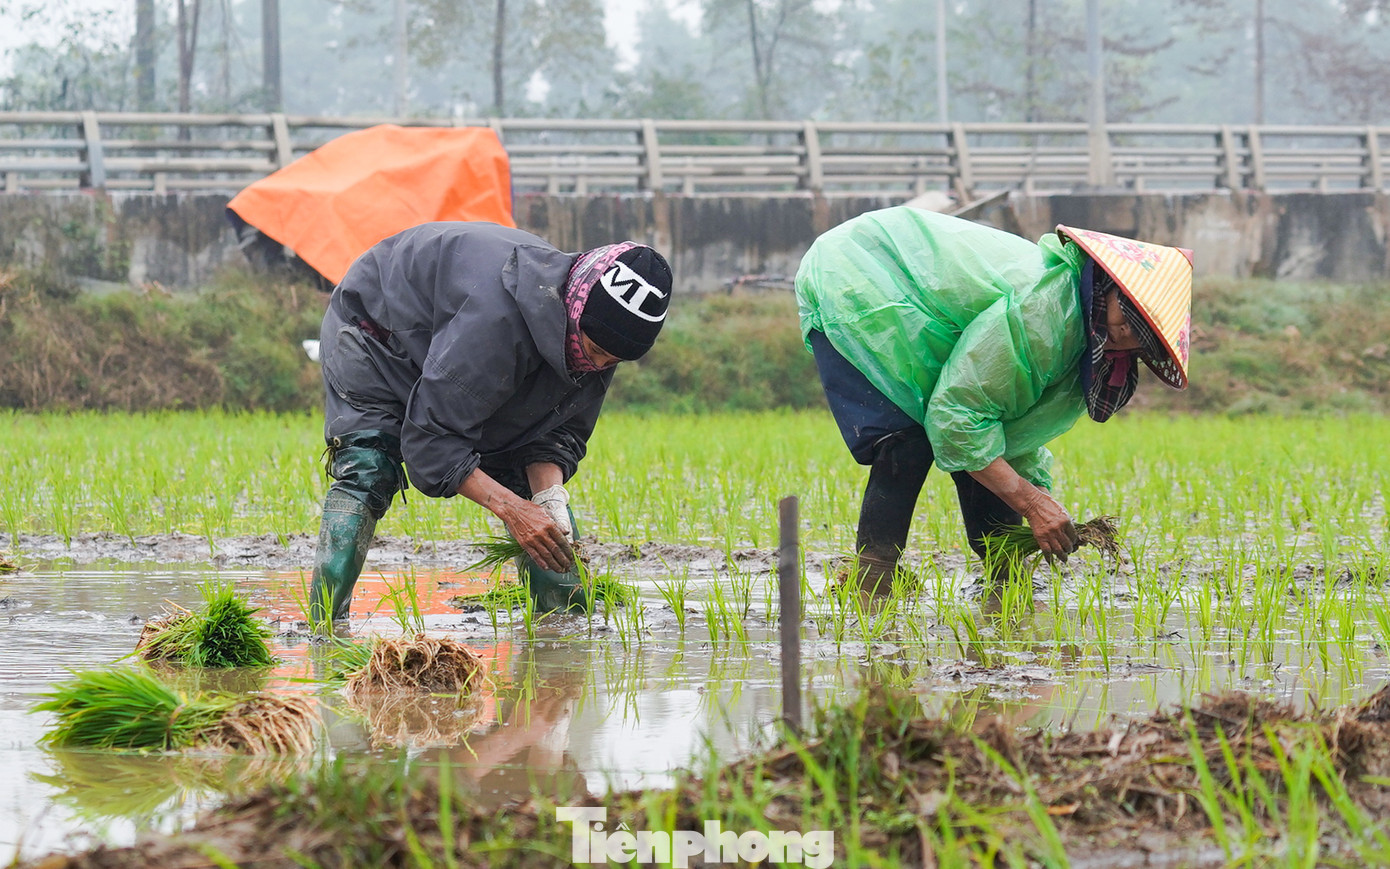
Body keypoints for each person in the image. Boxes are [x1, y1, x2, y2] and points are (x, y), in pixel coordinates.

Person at [795, 206, 1192, 594]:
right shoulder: (1045, 314)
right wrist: (1031, 504)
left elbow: (1006, 426)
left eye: (1142, 333)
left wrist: (1035, 494)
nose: (1125, 331)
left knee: (990, 453)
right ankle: (874, 576)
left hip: (905, 298)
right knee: (906, 441)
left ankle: (1007, 579)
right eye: (1128, 313)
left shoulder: (1080, 338)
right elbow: (956, 417)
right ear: (1109, 287)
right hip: (860, 273)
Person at [308, 221, 673, 625]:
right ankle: (326, 627)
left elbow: (554, 433)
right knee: (370, 466)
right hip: (376, 333)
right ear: (576, 310)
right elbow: (431, 442)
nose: (598, 364)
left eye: (612, 360)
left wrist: (548, 499)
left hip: (455, 349)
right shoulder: (496, 323)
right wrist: (511, 509)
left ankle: (562, 626)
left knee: (531, 493)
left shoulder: (596, 340)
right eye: (596, 349)